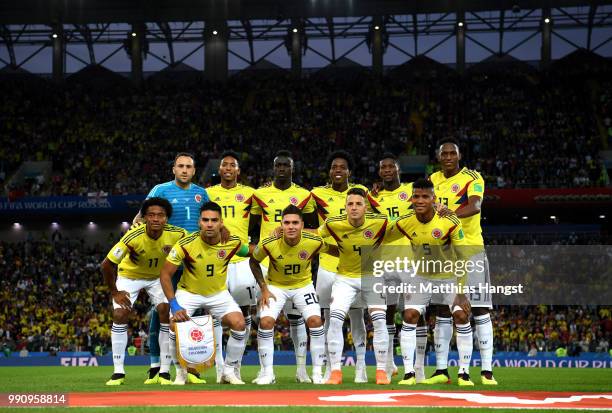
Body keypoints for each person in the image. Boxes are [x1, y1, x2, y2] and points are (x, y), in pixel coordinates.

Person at [385, 179, 474, 386]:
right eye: (416, 196)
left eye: (425, 196)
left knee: (461, 315)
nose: (420, 200)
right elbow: (381, 234)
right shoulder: (405, 221)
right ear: (411, 199)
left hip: (449, 277)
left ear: (434, 199)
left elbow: (463, 257)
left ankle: (464, 373)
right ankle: (409, 374)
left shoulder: (450, 221)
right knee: (409, 315)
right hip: (421, 277)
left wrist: (461, 292)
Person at [133, 152, 210, 385]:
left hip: (193, 260)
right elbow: (140, 218)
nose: (184, 170)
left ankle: (190, 367)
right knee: (162, 310)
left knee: (193, 311)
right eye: (180, 166)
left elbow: (208, 220)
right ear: (173, 169)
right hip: (167, 260)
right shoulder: (160, 190)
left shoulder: (201, 193)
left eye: (189, 166)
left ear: (194, 171)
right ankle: (156, 365)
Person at [427, 138, 497, 385]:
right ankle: (441, 371)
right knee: (443, 311)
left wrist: (449, 215)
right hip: (443, 255)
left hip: (471, 251)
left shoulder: (472, 177)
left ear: (459, 156)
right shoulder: (433, 180)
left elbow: (475, 206)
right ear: (438, 157)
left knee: (479, 309)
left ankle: (487, 371)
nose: (447, 157)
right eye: (443, 153)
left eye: (451, 153)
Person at [160, 202, 252, 385]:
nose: (209, 224)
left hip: (218, 294)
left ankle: (228, 371)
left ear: (221, 223)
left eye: (214, 220)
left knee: (240, 324)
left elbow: (251, 251)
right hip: (189, 293)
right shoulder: (185, 244)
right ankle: (180, 372)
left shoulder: (232, 242)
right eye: (205, 220)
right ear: (199, 222)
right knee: (173, 325)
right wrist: (175, 305)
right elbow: (165, 274)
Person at [102, 197, 187, 386]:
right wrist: (115, 292)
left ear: (167, 219)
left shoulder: (178, 234)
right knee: (120, 313)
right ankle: (118, 372)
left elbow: (195, 244)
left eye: (160, 215)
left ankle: (164, 371)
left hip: (157, 278)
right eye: (151, 215)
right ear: (144, 218)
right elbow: (107, 265)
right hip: (130, 276)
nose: (156, 219)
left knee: (165, 311)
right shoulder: (133, 236)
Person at [250, 150, 318, 383]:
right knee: (265, 318)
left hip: (296, 264)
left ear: (292, 168)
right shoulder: (260, 194)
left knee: (297, 318)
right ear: (273, 168)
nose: (281, 169)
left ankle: (302, 370)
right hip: (268, 263)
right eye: (278, 165)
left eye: (285, 165)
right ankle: (265, 371)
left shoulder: (304, 195)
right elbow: (253, 226)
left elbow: (313, 229)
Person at [249, 205, 329, 384]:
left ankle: (317, 373)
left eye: (295, 223)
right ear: (281, 225)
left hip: (303, 286)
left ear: (302, 225)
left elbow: (332, 250)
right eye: (287, 223)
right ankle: (268, 374)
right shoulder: (269, 242)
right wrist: (263, 288)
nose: (291, 226)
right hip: (275, 286)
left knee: (315, 321)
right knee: (265, 321)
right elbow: (253, 262)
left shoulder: (314, 241)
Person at [319, 188, 391, 385]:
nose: (354, 207)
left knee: (379, 320)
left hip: (373, 276)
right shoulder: (333, 223)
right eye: (350, 204)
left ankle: (381, 372)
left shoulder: (380, 222)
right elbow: (314, 237)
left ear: (365, 207)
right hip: (345, 278)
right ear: (345, 207)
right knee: (334, 320)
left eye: (358, 203)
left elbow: (404, 228)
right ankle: (335, 372)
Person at [310, 150, 369, 383]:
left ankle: (361, 367)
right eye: (334, 167)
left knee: (358, 316)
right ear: (329, 171)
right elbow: (293, 207)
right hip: (328, 265)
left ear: (349, 172)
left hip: (355, 265)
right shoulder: (315, 194)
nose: (338, 170)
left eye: (342, 167)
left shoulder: (361, 193)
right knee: (329, 318)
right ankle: (330, 367)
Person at [206, 150, 258, 381]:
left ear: (238, 170)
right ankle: (219, 369)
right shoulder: (207, 193)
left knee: (245, 312)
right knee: (214, 312)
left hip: (241, 260)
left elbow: (268, 209)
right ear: (220, 170)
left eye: (232, 165)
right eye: (224, 164)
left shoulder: (250, 193)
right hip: (215, 259)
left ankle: (234, 366)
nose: (227, 168)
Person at [369, 152, 414, 380]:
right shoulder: (372, 196)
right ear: (379, 172)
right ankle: (388, 364)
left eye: (391, 166)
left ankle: (417, 369)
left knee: (414, 312)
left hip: (408, 258)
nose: (387, 170)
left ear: (398, 169)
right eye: (383, 167)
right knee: (386, 314)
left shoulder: (411, 191)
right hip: (382, 260)